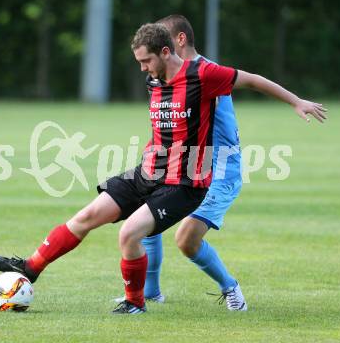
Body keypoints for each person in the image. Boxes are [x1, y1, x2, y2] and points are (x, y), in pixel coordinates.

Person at [111, 21, 326, 314]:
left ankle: (230, 288)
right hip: (183, 169)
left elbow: (252, 80)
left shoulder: (205, 74)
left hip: (220, 170)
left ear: (179, 40)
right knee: (146, 220)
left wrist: (295, 101)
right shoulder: (169, 79)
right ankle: (149, 294)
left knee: (186, 240)